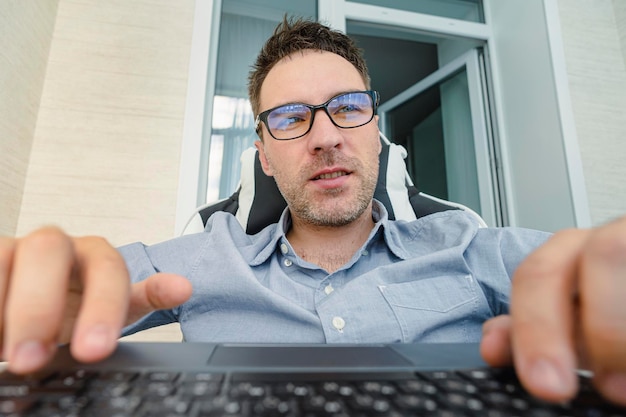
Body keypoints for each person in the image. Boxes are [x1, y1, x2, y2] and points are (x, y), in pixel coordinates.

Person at [1, 17, 625, 407]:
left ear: (375, 131)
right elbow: (86, 286)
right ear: (265, 157)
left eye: (348, 107)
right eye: (292, 119)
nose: (325, 137)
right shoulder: (203, 255)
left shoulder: (465, 243)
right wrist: (38, 301)